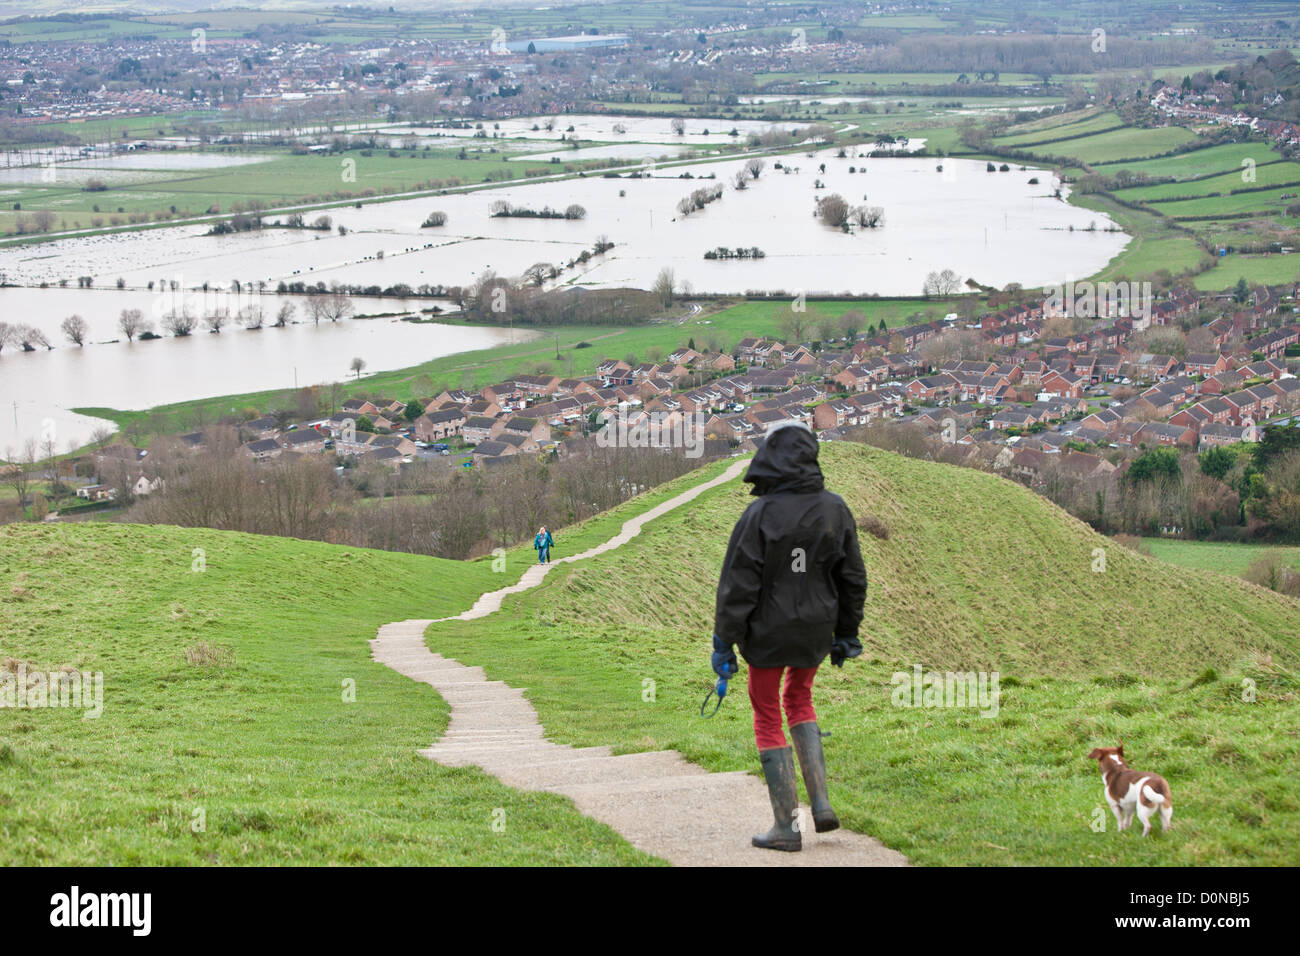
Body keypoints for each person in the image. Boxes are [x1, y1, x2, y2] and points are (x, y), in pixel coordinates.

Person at [711, 420, 868, 852]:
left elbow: (738, 586)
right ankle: (820, 803)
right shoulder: (835, 509)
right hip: (815, 633)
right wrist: (846, 634)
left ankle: (785, 827)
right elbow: (853, 578)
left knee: (766, 713)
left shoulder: (759, 515)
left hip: (767, 636)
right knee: (799, 699)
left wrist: (724, 643)